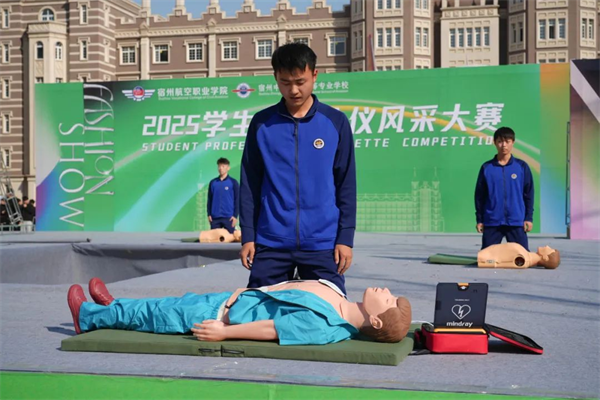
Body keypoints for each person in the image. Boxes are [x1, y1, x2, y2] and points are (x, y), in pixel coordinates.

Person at [239, 42, 356, 294]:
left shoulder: (335, 122)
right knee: (258, 309)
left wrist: (345, 238)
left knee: (328, 310)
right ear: (275, 78)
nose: (293, 90)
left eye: (300, 82)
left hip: (322, 244)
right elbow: (250, 183)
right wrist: (248, 235)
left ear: (314, 75)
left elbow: (346, 183)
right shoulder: (262, 124)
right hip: (271, 241)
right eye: (285, 82)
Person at [67, 278, 412, 346]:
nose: (386, 291)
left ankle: (89, 317)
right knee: (167, 304)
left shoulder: (325, 326)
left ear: (376, 320)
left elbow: (272, 329)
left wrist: (224, 333)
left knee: (161, 314)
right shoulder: (340, 297)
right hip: (232, 300)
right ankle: (113, 306)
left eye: (388, 299)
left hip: (222, 315)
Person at [475, 127, 534, 250]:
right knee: (487, 258)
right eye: (500, 141)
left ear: (513, 142)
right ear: (494, 142)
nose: (504, 145)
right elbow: (480, 196)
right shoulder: (487, 168)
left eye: (507, 141)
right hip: (492, 221)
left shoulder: (522, 166)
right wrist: (480, 220)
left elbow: (528, 194)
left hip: (516, 221)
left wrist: (528, 218)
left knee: (522, 257)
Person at [207, 158, 239, 234]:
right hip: (215, 218)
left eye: (223, 166)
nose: (220, 168)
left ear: (228, 168)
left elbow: (237, 200)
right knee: (214, 239)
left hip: (229, 217)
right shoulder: (213, 182)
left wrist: (235, 216)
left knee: (231, 238)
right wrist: (209, 214)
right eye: (219, 166)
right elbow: (210, 199)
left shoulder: (233, 182)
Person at [477, 243, 560, 269]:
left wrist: (483, 262)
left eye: (549, 249)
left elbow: (498, 263)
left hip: (483, 256)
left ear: (545, 258)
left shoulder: (523, 260)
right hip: (485, 254)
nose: (547, 246)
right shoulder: (524, 255)